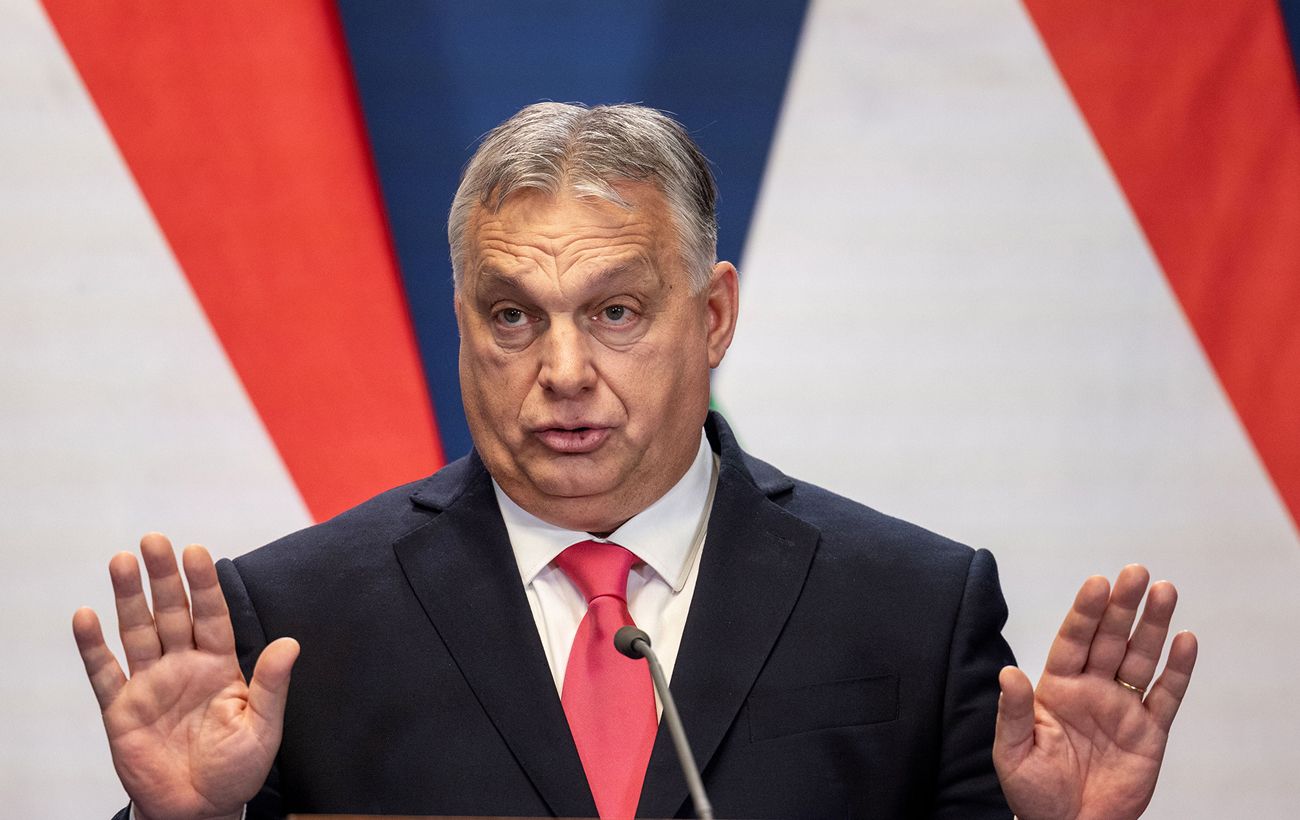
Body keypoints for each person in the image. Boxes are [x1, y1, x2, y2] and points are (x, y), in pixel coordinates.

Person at [73, 102, 1197, 820]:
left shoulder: (914, 607)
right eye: (512, 317)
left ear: (712, 318)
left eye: (615, 311)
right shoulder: (296, 618)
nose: (562, 370)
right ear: (461, 322)